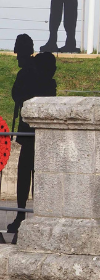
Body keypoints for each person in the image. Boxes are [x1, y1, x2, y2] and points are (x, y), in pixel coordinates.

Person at [8, 35, 39, 233]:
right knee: (26, 173)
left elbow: (17, 95)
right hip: (29, 129)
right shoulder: (29, 71)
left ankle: (23, 214)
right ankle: (21, 213)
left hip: (31, 131)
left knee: (28, 173)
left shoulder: (28, 72)